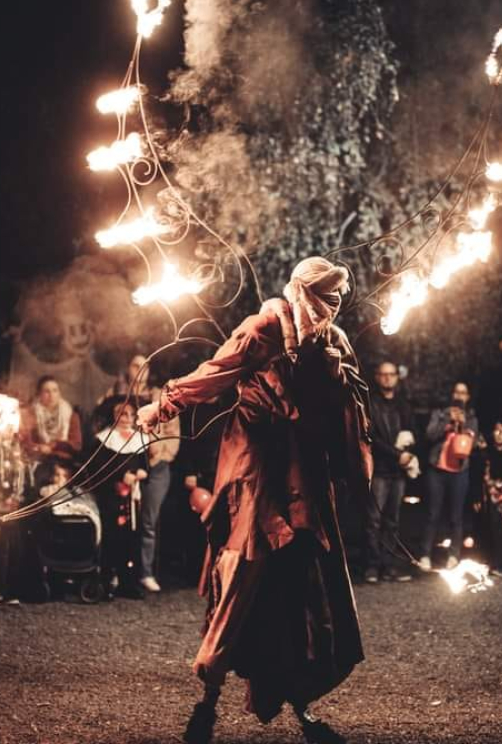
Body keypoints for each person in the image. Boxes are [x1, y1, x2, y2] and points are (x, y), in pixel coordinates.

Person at [138, 256, 371, 744]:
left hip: (303, 477)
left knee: (301, 585)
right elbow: (217, 371)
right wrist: (163, 405)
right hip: (256, 470)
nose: (331, 306)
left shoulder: (333, 341)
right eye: (324, 296)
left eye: (337, 298)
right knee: (242, 575)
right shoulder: (263, 327)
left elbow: (349, 411)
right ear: (302, 291)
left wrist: (355, 464)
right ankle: (207, 703)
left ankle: (301, 706)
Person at [364, 361, 417, 583]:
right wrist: (397, 455)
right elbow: (371, 438)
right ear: (377, 377)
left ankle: (388, 566)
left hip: (398, 472)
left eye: (391, 374)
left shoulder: (403, 405)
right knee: (374, 520)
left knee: (392, 521)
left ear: (397, 377)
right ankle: (372, 567)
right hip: (379, 470)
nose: (387, 378)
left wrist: (408, 454)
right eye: (383, 374)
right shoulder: (370, 404)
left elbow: (413, 432)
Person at [419, 382, 479, 571]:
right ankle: (425, 555)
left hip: (459, 471)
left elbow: (472, 444)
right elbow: (429, 435)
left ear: (468, 397)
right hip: (437, 469)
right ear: (452, 395)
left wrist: (462, 425)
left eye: (463, 392)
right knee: (432, 514)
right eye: (456, 392)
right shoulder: (439, 413)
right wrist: (447, 423)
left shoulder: (471, 417)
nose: (459, 395)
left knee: (456, 516)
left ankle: (454, 555)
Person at [93, 398, 148, 599]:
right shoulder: (103, 439)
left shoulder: (139, 439)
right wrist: (120, 477)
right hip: (111, 496)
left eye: (131, 414)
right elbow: (99, 469)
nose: (127, 418)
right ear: (114, 416)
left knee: (132, 537)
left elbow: (145, 465)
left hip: (132, 497)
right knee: (111, 536)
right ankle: (107, 581)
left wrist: (141, 473)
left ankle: (129, 582)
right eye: (122, 414)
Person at [139, 390, 180, 592]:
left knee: (149, 522)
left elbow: (172, 443)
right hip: (135, 466)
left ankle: (145, 572)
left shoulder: (168, 407)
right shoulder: (137, 404)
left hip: (158, 469)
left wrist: (156, 452)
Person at [20, 375, 82, 486]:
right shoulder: (31, 414)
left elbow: (76, 444)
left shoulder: (71, 415)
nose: (52, 395)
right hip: (39, 460)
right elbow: (26, 442)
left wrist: (53, 446)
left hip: (64, 462)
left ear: (59, 393)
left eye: (55, 390)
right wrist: (39, 448)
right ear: (39, 394)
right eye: (46, 391)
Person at [476, 422, 502, 576]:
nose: (499, 434)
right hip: (488, 494)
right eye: (497, 430)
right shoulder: (486, 452)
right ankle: (490, 562)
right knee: (490, 527)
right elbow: (479, 474)